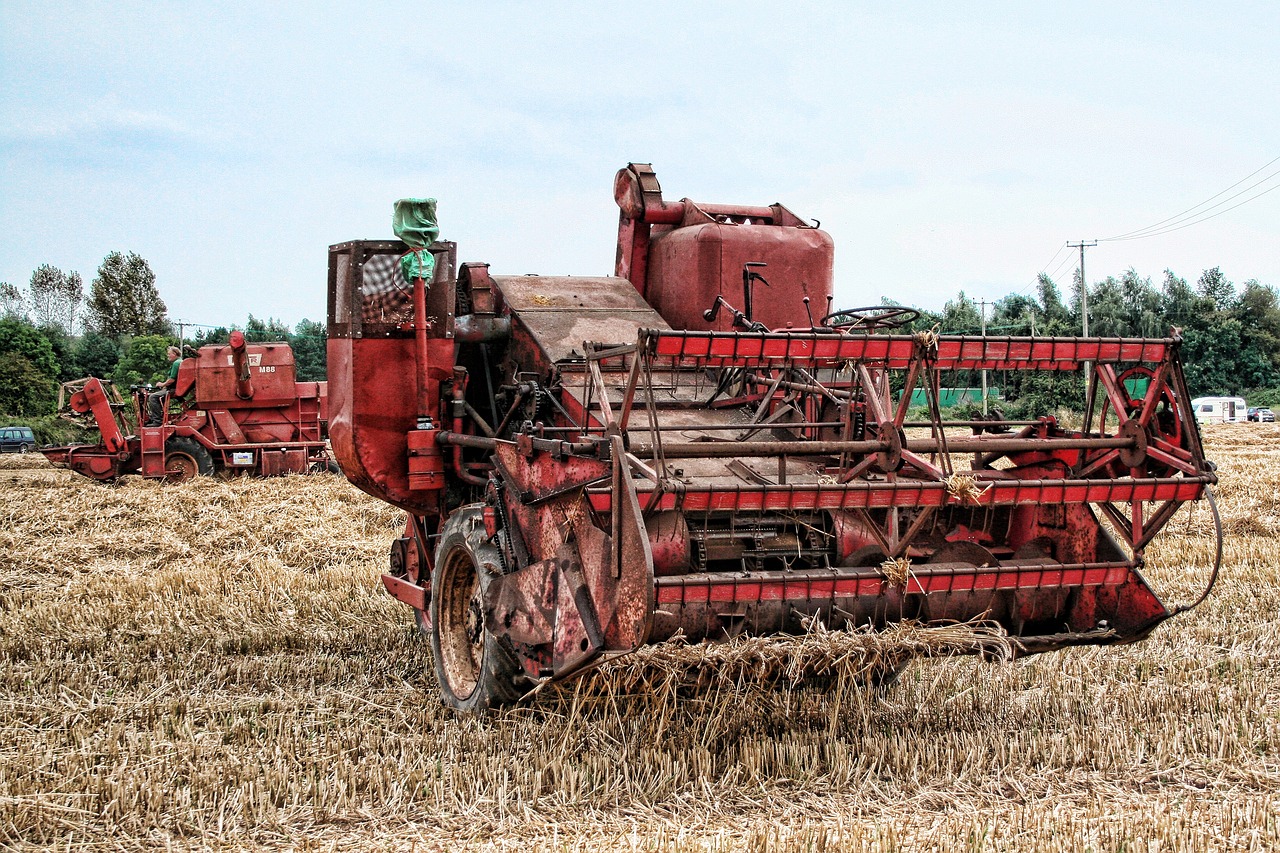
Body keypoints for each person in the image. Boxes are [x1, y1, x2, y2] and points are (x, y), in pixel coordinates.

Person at [146, 346, 184, 426]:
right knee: (159, 397)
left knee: (152, 397)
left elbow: (172, 379)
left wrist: (162, 384)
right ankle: (155, 417)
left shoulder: (176, 363)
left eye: (169, 354)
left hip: (173, 389)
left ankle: (157, 421)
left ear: (174, 354)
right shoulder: (181, 361)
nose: (168, 356)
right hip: (177, 388)